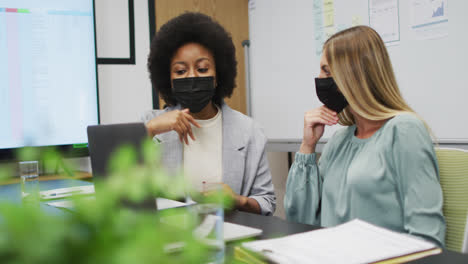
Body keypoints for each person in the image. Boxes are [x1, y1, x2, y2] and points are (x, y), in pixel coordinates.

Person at [284, 26, 445, 246]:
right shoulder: (339, 141)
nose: (320, 79)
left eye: (327, 71)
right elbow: (301, 221)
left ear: (353, 76)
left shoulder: (404, 130)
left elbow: (427, 238)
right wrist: (307, 146)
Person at [142, 12, 275, 215]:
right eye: (180, 71)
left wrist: (238, 200)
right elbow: (119, 190)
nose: (192, 77)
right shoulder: (149, 124)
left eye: (202, 69)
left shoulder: (249, 131)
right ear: (168, 79)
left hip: (227, 236)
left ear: (217, 76)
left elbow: (267, 202)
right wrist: (151, 130)